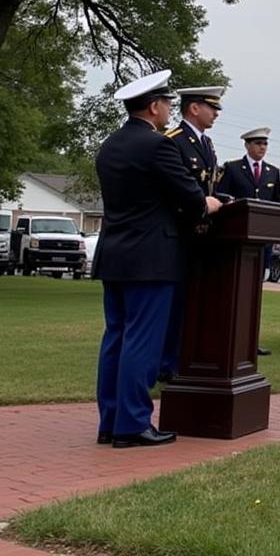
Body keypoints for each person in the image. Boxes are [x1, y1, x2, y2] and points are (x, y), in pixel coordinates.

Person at [92, 70, 221, 447]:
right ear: (154, 106)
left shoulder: (110, 144)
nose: (169, 110)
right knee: (142, 342)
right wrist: (209, 203)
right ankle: (132, 425)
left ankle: (111, 421)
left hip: (115, 255)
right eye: (166, 103)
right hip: (151, 257)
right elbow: (191, 197)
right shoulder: (157, 145)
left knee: (115, 337)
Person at [160, 84, 226, 378]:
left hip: (203, 235)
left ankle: (183, 358)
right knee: (172, 305)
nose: (216, 114)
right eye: (212, 108)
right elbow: (175, 190)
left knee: (190, 303)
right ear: (194, 108)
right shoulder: (173, 141)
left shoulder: (207, 144)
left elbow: (209, 187)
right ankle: (166, 365)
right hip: (179, 233)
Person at [219, 126, 280, 356]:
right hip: (237, 241)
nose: (262, 148)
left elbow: (277, 205)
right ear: (247, 145)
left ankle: (250, 341)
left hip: (260, 244)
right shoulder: (233, 168)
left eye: (265, 144)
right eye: (258, 144)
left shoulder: (272, 172)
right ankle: (228, 338)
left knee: (254, 293)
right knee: (234, 291)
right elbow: (220, 196)